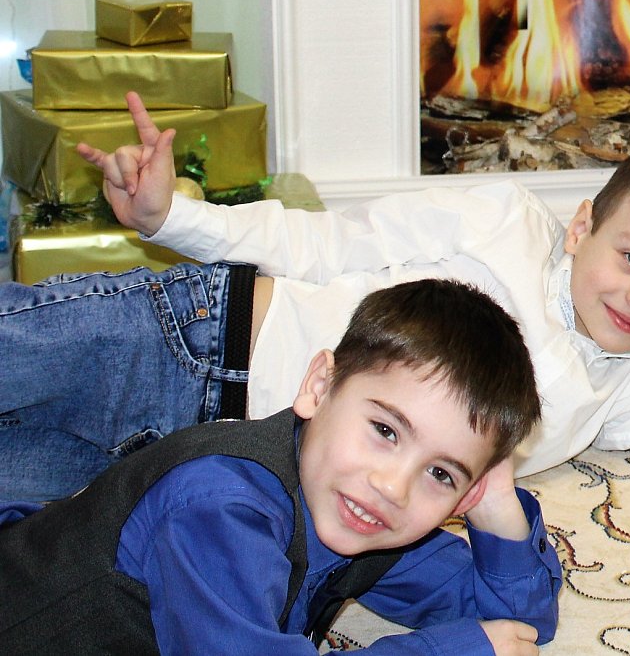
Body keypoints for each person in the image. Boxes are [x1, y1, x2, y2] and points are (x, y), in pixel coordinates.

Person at [0, 93, 630, 505]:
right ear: (582, 224)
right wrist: (172, 218)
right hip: (199, 339)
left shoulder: (623, 389)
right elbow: (327, 242)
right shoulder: (505, 222)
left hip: (215, 466)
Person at [0, 278, 559, 655]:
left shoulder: (368, 516)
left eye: (441, 474)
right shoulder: (220, 509)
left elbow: (521, 625)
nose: (393, 486)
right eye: (385, 431)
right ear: (319, 386)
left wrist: (495, 510)